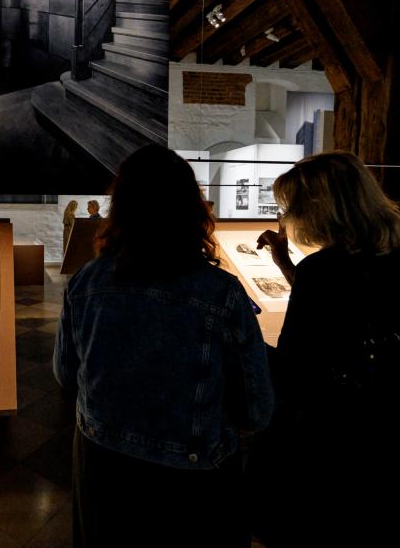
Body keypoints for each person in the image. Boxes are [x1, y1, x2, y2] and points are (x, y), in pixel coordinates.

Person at [54, 145, 273, 547]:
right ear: (191, 209)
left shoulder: (86, 283)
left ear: (121, 208)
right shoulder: (220, 293)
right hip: (193, 480)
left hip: (103, 467)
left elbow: (66, 373)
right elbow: (257, 407)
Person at [250, 151, 400, 548]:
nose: (288, 217)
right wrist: (285, 260)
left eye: (291, 207)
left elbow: (294, 367)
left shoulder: (326, 270)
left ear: (318, 207)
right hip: (398, 434)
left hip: (334, 444)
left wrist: (244, 343)